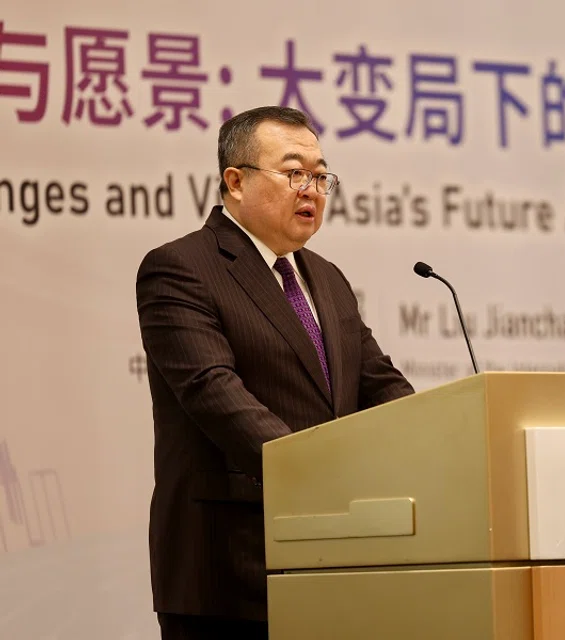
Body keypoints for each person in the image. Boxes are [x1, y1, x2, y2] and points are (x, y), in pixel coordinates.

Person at [135, 105, 415, 639]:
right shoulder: (181, 269)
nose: (311, 188)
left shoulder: (326, 279)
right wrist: (331, 483)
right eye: (293, 173)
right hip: (228, 570)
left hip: (333, 561)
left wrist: (445, 441)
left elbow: (380, 385)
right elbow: (216, 395)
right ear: (235, 182)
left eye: (319, 175)